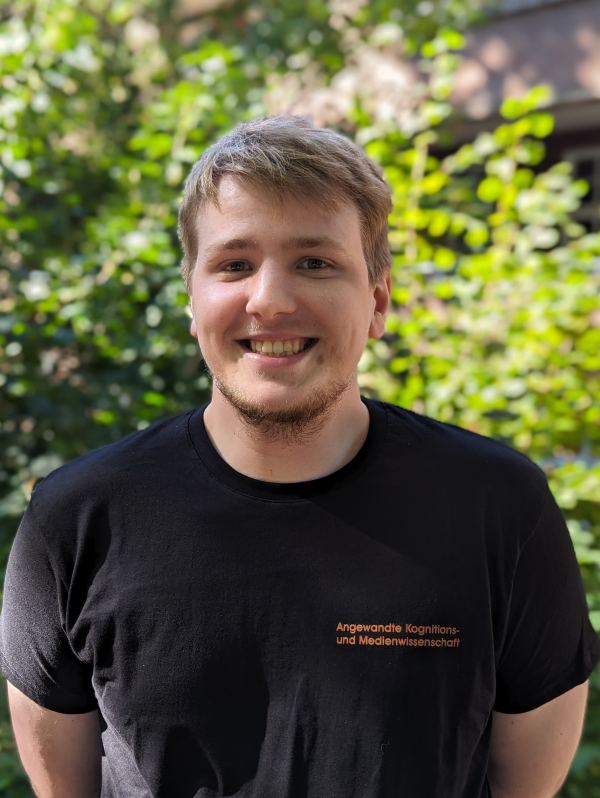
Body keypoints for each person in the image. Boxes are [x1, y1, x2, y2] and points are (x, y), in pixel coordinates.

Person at [1, 116, 599, 798]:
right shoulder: (76, 519)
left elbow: (525, 785)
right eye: (234, 264)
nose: (270, 300)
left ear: (377, 300)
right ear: (192, 300)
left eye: (314, 262)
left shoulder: (498, 504)